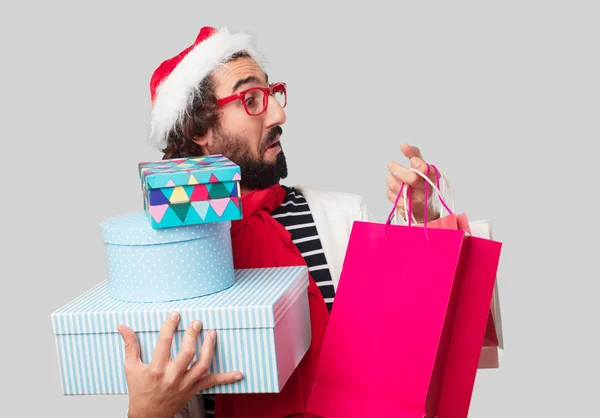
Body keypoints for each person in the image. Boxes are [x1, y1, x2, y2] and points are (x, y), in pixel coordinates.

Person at [117, 26, 441, 418]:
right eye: (252, 98)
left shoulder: (344, 219)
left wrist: (426, 222)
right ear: (197, 129)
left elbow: (420, 338)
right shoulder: (169, 253)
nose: (279, 113)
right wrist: (146, 412)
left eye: (272, 93)